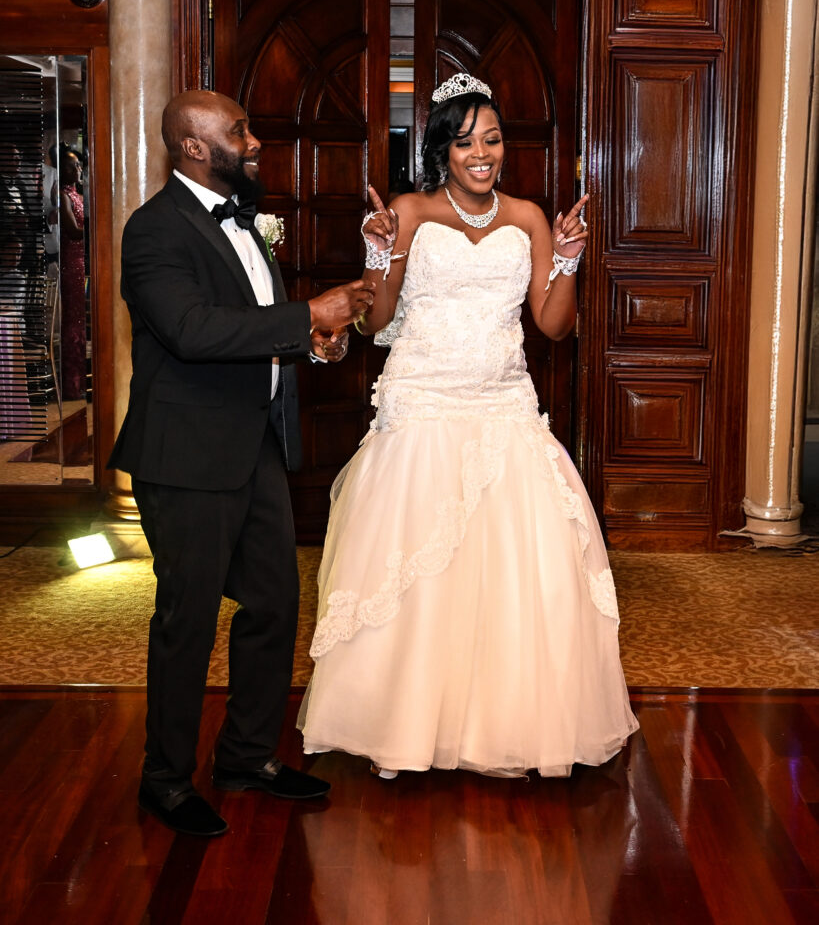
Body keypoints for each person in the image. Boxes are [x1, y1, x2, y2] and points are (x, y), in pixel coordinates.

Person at [298, 73, 639, 778]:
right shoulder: (410, 211)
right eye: (464, 143)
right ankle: (402, 726)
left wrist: (569, 261)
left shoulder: (528, 217)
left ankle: (502, 724)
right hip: (422, 404)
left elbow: (550, 325)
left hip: (502, 406)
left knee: (520, 571)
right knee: (417, 570)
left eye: (490, 139)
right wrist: (374, 250)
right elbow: (380, 319)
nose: (480, 154)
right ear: (440, 151)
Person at [108, 89, 375, 837]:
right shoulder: (154, 231)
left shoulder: (243, 221)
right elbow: (191, 330)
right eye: (239, 131)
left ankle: (246, 757)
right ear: (194, 147)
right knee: (186, 621)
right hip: (187, 455)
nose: (253, 141)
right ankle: (164, 780)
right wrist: (304, 316)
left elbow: (243, 322)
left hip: (253, 444)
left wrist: (307, 340)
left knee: (274, 603)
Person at [54, 144, 87, 400]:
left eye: (78, 164)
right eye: (71, 165)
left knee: (79, 323)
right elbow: (73, 231)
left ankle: (78, 384)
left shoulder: (78, 195)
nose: (77, 169)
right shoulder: (62, 194)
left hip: (80, 263)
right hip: (69, 263)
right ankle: (71, 385)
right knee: (72, 324)